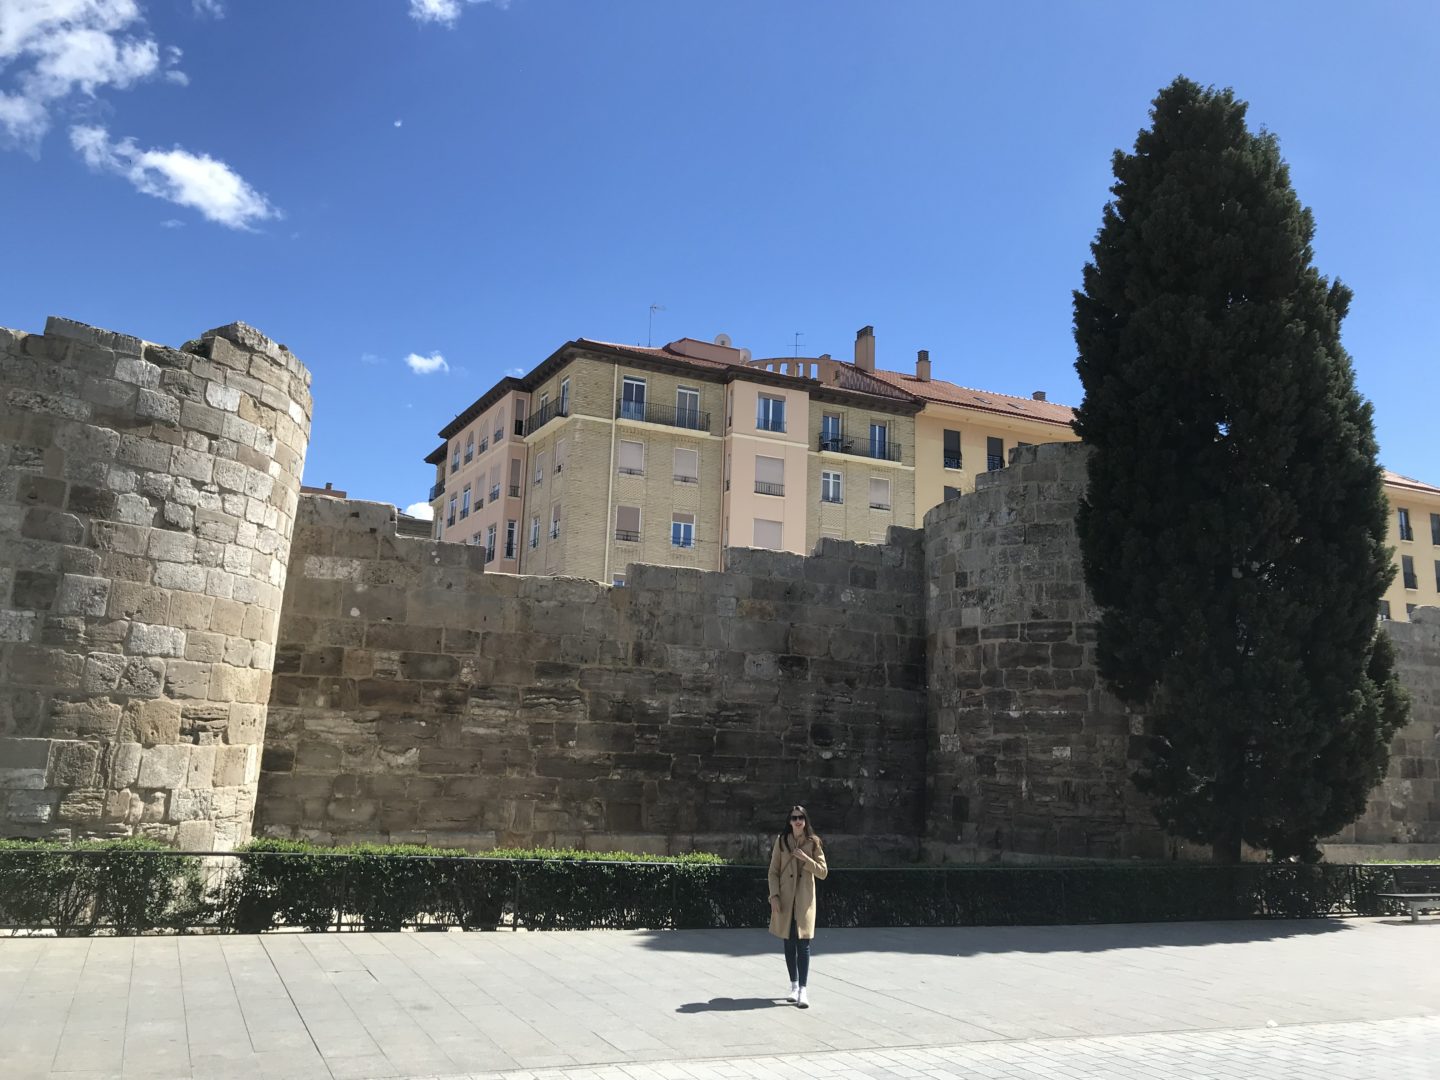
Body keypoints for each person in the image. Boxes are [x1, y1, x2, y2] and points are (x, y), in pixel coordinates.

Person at [767, 804, 828, 1008]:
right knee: (789, 941)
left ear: (805, 820)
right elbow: (773, 871)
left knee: (804, 944)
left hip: (804, 900)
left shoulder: (814, 842)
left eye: (801, 817)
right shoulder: (782, 841)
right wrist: (773, 895)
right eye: (794, 818)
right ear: (789, 821)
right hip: (785, 899)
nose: (797, 821)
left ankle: (803, 989)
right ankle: (793, 985)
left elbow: (823, 872)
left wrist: (806, 858)